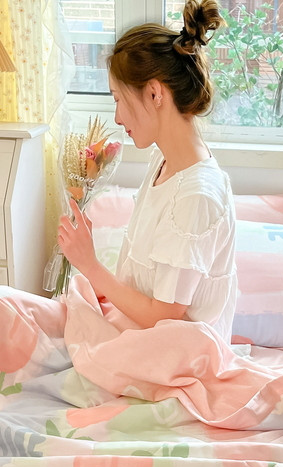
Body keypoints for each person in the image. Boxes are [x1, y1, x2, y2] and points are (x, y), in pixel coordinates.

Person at [56, 0, 237, 341]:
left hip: (171, 352)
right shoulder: (164, 162)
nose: (117, 118)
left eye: (118, 99)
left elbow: (163, 318)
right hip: (135, 331)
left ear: (154, 93)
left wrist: (90, 266)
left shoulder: (196, 195)